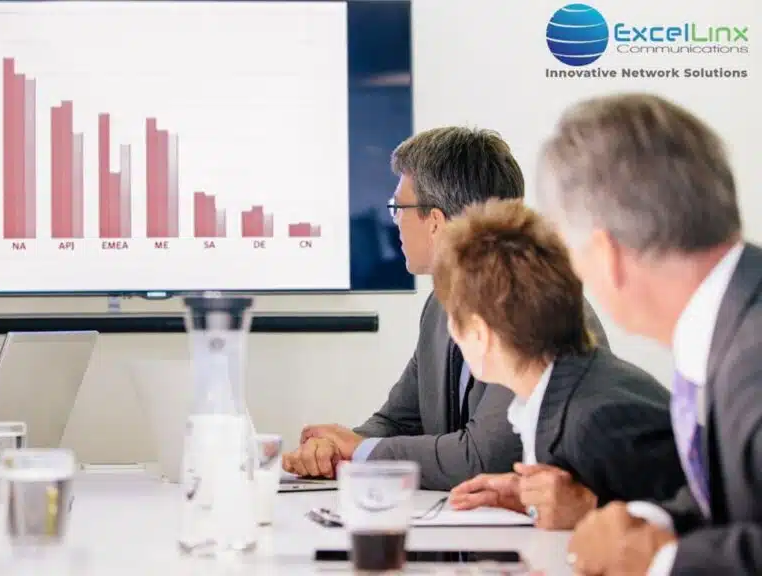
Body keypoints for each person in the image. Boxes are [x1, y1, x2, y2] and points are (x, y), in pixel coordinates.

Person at [281, 127, 610, 490]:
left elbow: (483, 458)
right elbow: (399, 421)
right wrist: (335, 449)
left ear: (435, 222)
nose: (395, 222)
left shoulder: (536, 309)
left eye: (398, 209)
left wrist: (359, 451)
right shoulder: (440, 307)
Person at [535, 93, 762, 575]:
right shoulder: (732, 324)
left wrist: (663, 560)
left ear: (605, 255)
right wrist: (647, 523)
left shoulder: (754, 353)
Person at [431, 198, 684, 530]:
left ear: (480, 334)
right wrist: (532, 501)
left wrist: (590, 511)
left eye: (454, 318)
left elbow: (713, 533)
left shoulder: (598, 420)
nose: (451, 330)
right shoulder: (563, 394)